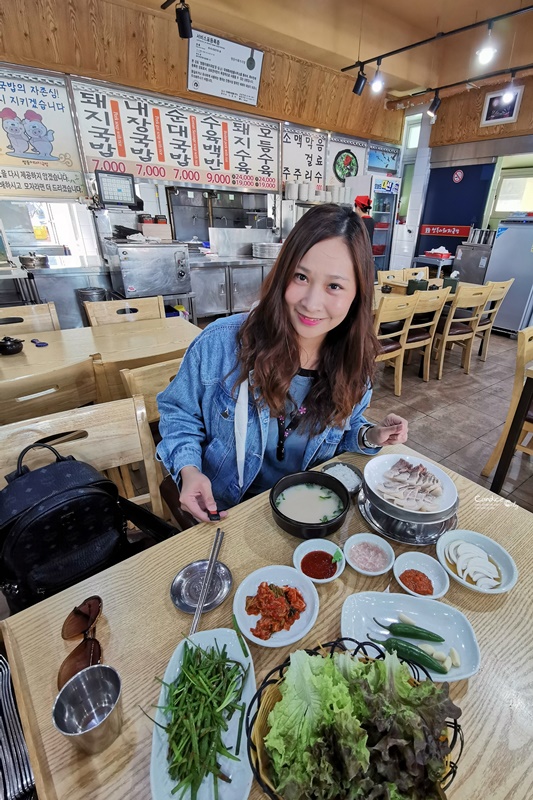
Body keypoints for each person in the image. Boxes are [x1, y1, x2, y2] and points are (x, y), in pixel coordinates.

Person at [157, 204, 408, 523]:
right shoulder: (222, 342)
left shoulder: (353, 362)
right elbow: (178, 412)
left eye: (334, 286)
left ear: (357, 295)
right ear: (282, 274)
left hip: (307, 509)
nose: (312, 303)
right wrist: (189, 469)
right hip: (228, 508)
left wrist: (372, 436)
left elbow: (344, 431)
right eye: (301, 276)